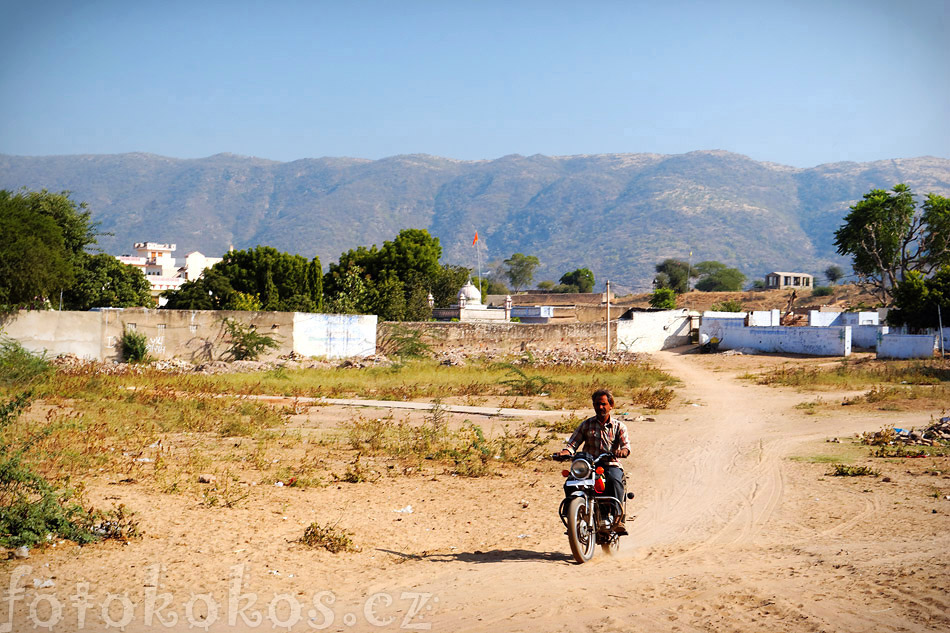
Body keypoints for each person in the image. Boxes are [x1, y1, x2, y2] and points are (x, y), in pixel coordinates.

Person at [555, 388, 631, 534]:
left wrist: (623, 451)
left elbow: (626, 446)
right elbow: (572, 444)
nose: (600, 407)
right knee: (570, 482)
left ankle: (617, 519)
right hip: (588, 465)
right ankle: (573, 516)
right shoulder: (586, 425)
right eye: (597, 404)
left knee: (615, 480)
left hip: (610, 464)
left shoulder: (619, 426)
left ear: (611, 405)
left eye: (603, 404)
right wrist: (565, 452)